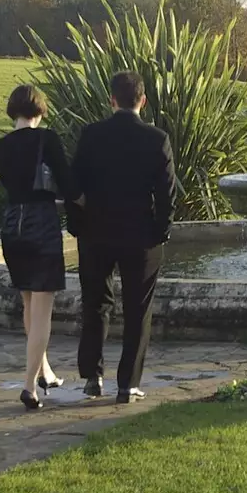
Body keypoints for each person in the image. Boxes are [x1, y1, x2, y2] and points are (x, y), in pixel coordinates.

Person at [69, 70, 177, 403]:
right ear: (142, 100)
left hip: (96, 233)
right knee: (137, 309)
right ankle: (127, 384)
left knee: (95, 304)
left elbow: (73, 187)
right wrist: (160, 231)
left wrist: (77, 226)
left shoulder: (91, 135)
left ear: (111, 100)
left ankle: (92, 376)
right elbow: (167, 194)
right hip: (140, 236)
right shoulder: (156, 139)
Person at [0, 84, 75, 410]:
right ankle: (29, 387)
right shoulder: (47, 139)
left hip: (12, 225)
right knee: (42, 311)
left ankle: (45, 372)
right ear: (39, 110)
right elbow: (66, 183)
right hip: (41, 223)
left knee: (28, 302)